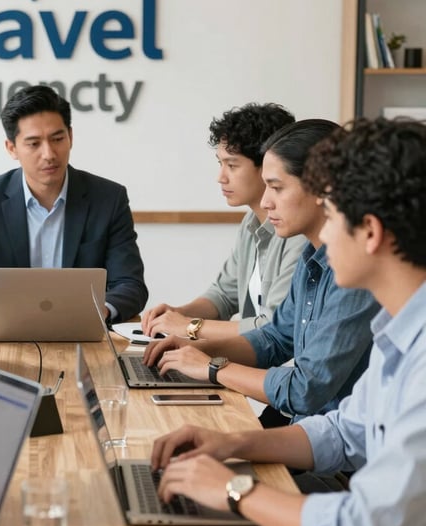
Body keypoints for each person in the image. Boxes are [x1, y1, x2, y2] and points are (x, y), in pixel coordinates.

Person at [151, 117, 426, 526]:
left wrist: (234, 489)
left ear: (369, 231)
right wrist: (232, 443)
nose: (323, 235)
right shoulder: (401, 332)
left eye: (330, 215)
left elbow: (366, 524)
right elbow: (343, 430)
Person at [144, 120, 380, 426]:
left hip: (330, 444)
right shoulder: (312, 256)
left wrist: (213, 366)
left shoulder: (355, 273)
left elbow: (305, 390)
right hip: (309, 430)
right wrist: (195, 349)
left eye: (277, 187)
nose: (266, 201)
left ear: (324, 188)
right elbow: (277, 338)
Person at [0, 85, 148, 323]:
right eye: (34, 143)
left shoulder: (108, 198)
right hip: (5, 333)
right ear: (12, 148)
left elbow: (130, 284)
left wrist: (102, 310)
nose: (49, 153)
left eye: (57, 139)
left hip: (83, 333)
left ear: (70, 136)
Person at [141, 103, 305, 340]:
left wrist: (189, 327)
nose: (221, 177)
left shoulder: (298, 234)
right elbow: (224, 295)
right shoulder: (251, 222)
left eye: (232, 165)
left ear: (269, 164)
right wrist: (178, 314)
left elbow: (273, 327)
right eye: (220, 164)